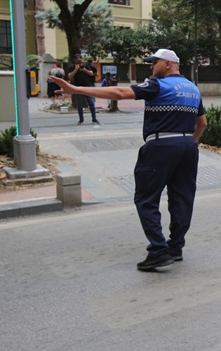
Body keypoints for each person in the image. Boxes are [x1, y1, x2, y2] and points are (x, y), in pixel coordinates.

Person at [50, 48, 208, 271]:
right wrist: (190, 143)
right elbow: (202, 124)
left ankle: (159, 250)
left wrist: (75, 89)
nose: (151, 67)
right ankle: (176, 247)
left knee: (146, 198)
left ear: (169, 64)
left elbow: (120, 93)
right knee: (182, 198)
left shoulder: (158, 85)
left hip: (161, 146)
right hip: (188, 147)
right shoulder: (193, 90)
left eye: (155, 63)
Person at [67, 54, 100, 125]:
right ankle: (81, 120)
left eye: (80, 59)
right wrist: (76, 69)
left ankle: (94, 119)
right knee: (80, 104)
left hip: (87, 87)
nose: (79, 60)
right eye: (77, 59)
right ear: (74, 60)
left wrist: (84, 70)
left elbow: (91, 74)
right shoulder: (72, 67)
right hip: (78, 88)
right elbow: (70, 76)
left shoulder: (86, 66)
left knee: (91, 103)